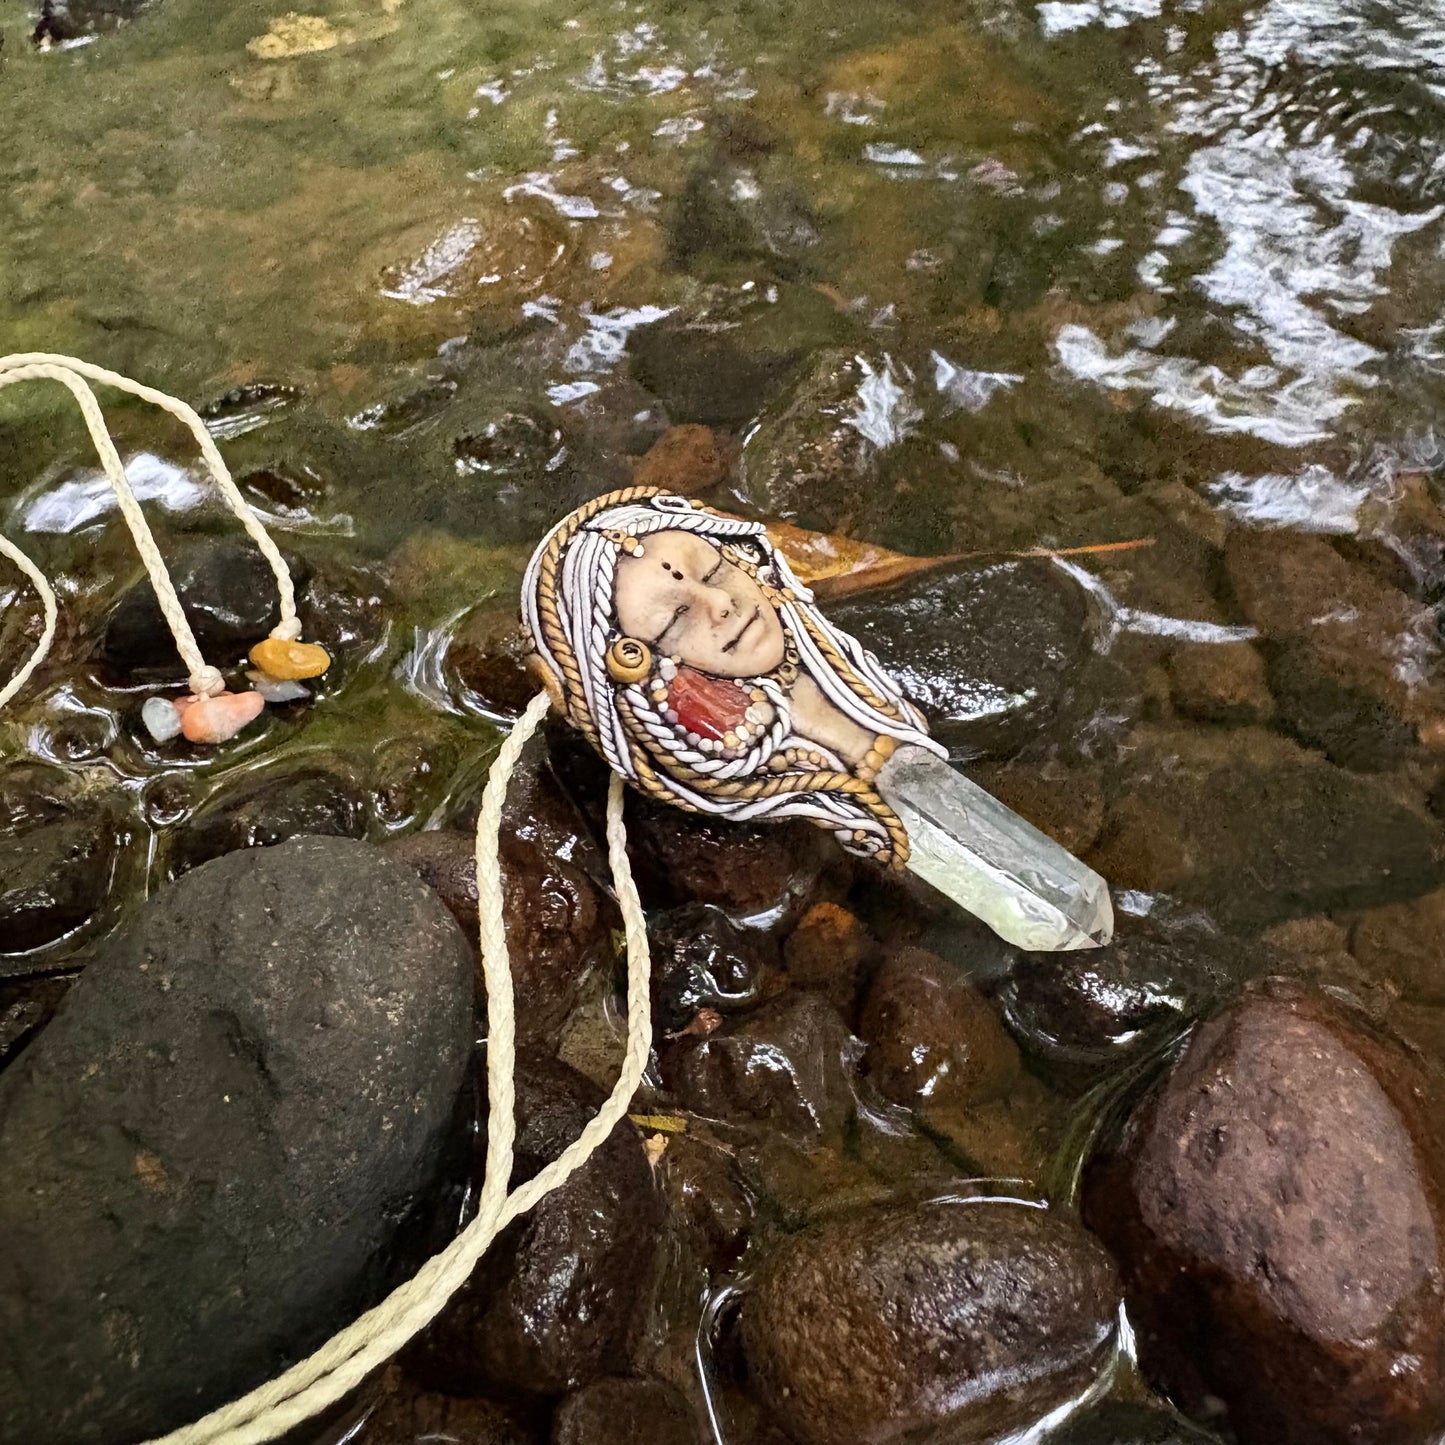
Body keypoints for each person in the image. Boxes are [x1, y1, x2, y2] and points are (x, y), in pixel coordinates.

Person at [521, 486, 946, 866]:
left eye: (713, 573)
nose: (720, 602)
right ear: (634, 666)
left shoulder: (845, 676)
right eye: (675, 619)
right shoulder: (726, 755)